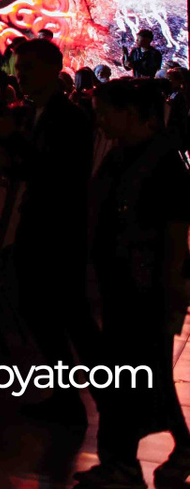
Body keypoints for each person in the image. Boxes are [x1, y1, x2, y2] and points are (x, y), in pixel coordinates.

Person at [84, 79, 190, 484]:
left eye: (105, 113)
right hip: (124, 281)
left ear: (131, 114)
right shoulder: (126, 154)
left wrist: (171, 290)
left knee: (134, 373)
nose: (100, 121)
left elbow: (175, 232)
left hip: (144, 286)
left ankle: (123, 463)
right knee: (144, 373)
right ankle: (156, 454)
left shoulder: (161, 162)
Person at [12, 36, 95, 425]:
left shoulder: (67, 118)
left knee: (62, 316)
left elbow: (56, 174)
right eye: (18, 69)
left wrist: (14, 145)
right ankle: (72, 396)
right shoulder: (44, 113)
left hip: (55, 230)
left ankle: (100, 401)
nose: (20, 76)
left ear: (51, 70)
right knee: (57, 315)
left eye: (27, 68)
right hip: (50, 226)